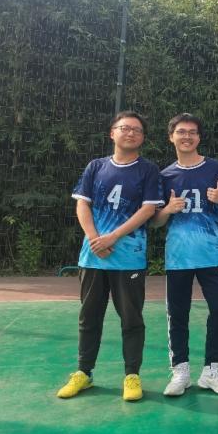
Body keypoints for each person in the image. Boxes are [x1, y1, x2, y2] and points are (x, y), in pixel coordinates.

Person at [57, 111, 163, 402]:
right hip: (93, 257)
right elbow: (82, 205)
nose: (131, 133)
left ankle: (132, 375)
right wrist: (95, 239)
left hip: (129, 258)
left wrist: (112, 237)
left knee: (131, 319)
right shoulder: (96, 166)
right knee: (89, 317)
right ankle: (84, 373)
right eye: (125, 128)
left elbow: (148, 210)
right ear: (112, 133)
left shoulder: (148, 170)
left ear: (143, 138)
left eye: (137, 130)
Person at [151, 113, 218, 397]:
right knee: (177, 313)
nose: (187, 136)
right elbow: (154, 221)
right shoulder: (164, 176)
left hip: (211, 255)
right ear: (171, 137)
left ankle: (212, 371)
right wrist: (168, 210)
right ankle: (180, 371)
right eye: (181, 132)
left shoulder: (217, 169)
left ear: (199, 137)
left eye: (192, 132)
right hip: (178, 257)